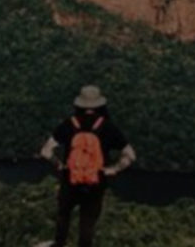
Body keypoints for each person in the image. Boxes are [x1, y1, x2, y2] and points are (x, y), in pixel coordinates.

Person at [37, 85, 136, 247]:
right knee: (87, 221)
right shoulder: (108, 127)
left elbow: (46, 151)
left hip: (70, 179)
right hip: (96, 181)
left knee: (64, 215)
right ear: (100, 105)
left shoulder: (69, 124)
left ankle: (59, 243)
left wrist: (59, 165)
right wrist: (113, 169)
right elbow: (130, 155)